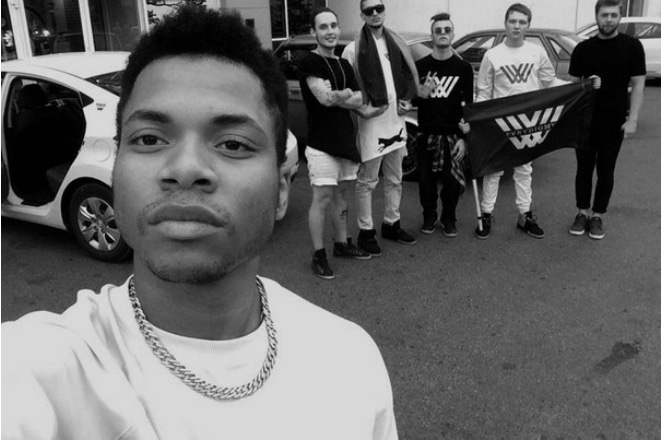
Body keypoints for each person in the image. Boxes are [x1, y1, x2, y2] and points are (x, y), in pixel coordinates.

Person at [1, 7, 398, 439]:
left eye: (233, 144)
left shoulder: (350, 362)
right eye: (149, 139)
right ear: (115, 171)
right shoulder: (39, 369)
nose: (186, 168)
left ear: (282, 189)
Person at [474, 3, 560, 240]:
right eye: (513, 21)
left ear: (528, 25)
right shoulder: (492, 55)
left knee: (524, 170)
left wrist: (580, 87)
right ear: (505, 23)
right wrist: (478, 120)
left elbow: (550, 83)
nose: (517, 26)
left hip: (528, 122)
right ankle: (486, 214)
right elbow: (483, 92)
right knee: (494, 171)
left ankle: (525, 215)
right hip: (499, 123)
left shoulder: (537, 53)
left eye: (522, 22)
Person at [342, 0, 419, 256]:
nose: (375, 13)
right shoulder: (353, 50)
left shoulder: (396, 43)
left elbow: (405, 80)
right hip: (371, 126)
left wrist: (407, 99)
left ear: (384, 11)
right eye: (369, 10)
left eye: (379, 8)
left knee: (396, 179)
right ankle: (366, 231)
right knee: (367, 182)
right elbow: (348, 94)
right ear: (362, 15)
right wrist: (361, 111)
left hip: (397, 123)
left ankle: (391, 224)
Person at [298, 7, 370, 280]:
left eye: (333, 26)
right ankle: (318, 255)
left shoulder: (344, 65)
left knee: (341, 196)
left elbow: (360, 100)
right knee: (322, 199)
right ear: (314, 32)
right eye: (323, 27)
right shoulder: (310, 62)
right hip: (321, 144)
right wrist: (346, 93)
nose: (330, 32)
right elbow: (323, 99)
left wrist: (340, 94)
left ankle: (342, 244)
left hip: (344, 141)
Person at [568, 0, 646, 240]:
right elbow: (573, 86)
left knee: (606, 171)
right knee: (583, 170)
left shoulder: (632, 47)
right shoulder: (583, 48)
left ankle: (597, 216)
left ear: (620, 17)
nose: (609, 20)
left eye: (613, 15)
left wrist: (632, 119)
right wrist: (586, 83)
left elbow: (638, 84)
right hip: (585, 120)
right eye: (604, 15)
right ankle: (582, 213)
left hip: (614, 121)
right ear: (597, 17)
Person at [414, 13, 473, 237]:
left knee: (452, 182)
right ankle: (429, 216)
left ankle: (449, 216)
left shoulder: (463, 68)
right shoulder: (420, 67)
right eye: (437, 30)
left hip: (453, 136)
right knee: (425, 182)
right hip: (426, 134)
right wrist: (422, 93)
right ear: (432, 36)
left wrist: (464, 139)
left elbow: (469, 106)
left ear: (453, 34)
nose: (442, 34)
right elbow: (410, 100)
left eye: (446, 30)